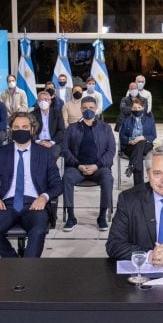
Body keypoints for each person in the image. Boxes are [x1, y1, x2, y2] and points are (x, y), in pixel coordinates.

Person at [0, 112, 62, 258]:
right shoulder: (1, 153)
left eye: (25, 127)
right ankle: (13, 260)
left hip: (34, 203)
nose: (20, 130)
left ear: (32, 129)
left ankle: (28, 270)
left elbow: (57, 184)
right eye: (16, 127)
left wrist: (44, 198)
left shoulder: (45, 153)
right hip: (7, 204)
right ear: (11, 130)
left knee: (38, 230)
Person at [61, 96, 115, 232]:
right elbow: (64, 149)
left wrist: (97, 165)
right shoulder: (72, 128)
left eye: (91, 107)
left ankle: (102, 216)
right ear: (81, 109)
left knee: (108, 178)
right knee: (66, 178)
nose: (88, 110)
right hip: (77, 167)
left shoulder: (105, 128)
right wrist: (78, 164)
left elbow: (111, 150)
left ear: (96, 109)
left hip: (98, 168)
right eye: (85, 108)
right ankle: (71, 217)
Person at [119, 98, 156, 186]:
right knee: (138, 155)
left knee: (141, 142)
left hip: (146, 146)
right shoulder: (126, 121)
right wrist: (129, 141)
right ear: (131, 109)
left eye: (139, 108)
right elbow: (122, 136)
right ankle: (139, 184)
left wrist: (142, 137)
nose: (137, 110)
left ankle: (132, 165)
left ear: (143, 108)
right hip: (130, 147)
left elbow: (153, 135)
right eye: (134, 108)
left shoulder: (149, 120)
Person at [31, 90, 65, 158]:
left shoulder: (57, 113)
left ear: (50, 101)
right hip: (38, 142)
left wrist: (51, 142)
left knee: (53, 155)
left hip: (53, 142)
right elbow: (30, 132)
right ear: (38, 102)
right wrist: (38, 141)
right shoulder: (32, 114)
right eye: (41, 100)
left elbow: (61, 131)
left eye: (46, 99)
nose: (44, 102)